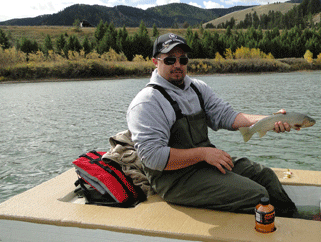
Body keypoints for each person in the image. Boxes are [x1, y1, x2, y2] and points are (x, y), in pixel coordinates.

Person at [127, 33, 297, 216]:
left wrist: (270, 121)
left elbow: (226, 115)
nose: (177, 65)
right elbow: (153, 157)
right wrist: (203, 154)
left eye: (183, 59)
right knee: (256, 195)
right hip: (174, 180)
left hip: (205, 163)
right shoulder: (147, 102)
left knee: (266, 176)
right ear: (155, 61)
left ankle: (295, 221)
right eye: (169, 59)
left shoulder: (197, 88)